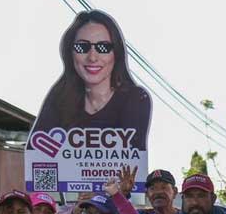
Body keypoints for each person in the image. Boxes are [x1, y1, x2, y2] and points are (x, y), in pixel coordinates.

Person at [30, 9, 151, 150]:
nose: (92, 57)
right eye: (82, 47)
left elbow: (133, 163)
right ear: (70, 53)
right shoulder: (59, 97)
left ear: (116, 53)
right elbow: (37, 156)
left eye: (103, 47)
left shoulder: (136, 99)